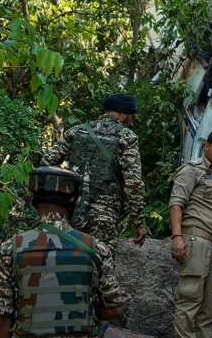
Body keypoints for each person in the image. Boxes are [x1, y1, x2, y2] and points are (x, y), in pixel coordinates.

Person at [0, 166, 128, 338]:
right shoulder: (96, 248)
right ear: (73, 201)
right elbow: (114, 309)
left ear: (34, 201)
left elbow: (1, 313)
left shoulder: (10, 249)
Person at [41, 93, 146, 252]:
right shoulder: (127, 137)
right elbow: (133, 183)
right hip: (104, 216)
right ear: (123, 114)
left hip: (71, 211)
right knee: (101, 266)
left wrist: (62, 195)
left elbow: (47, 162)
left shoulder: (77, 131)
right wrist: (138, 223)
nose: (132, 121)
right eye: (132, 116)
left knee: (70, 262)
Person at [169, 128, 212, 338]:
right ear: (207, 146)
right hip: (195, 241)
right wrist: (177, 237)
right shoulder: (191, 170)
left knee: (210, 310)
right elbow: (176, 203)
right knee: (189, 303)